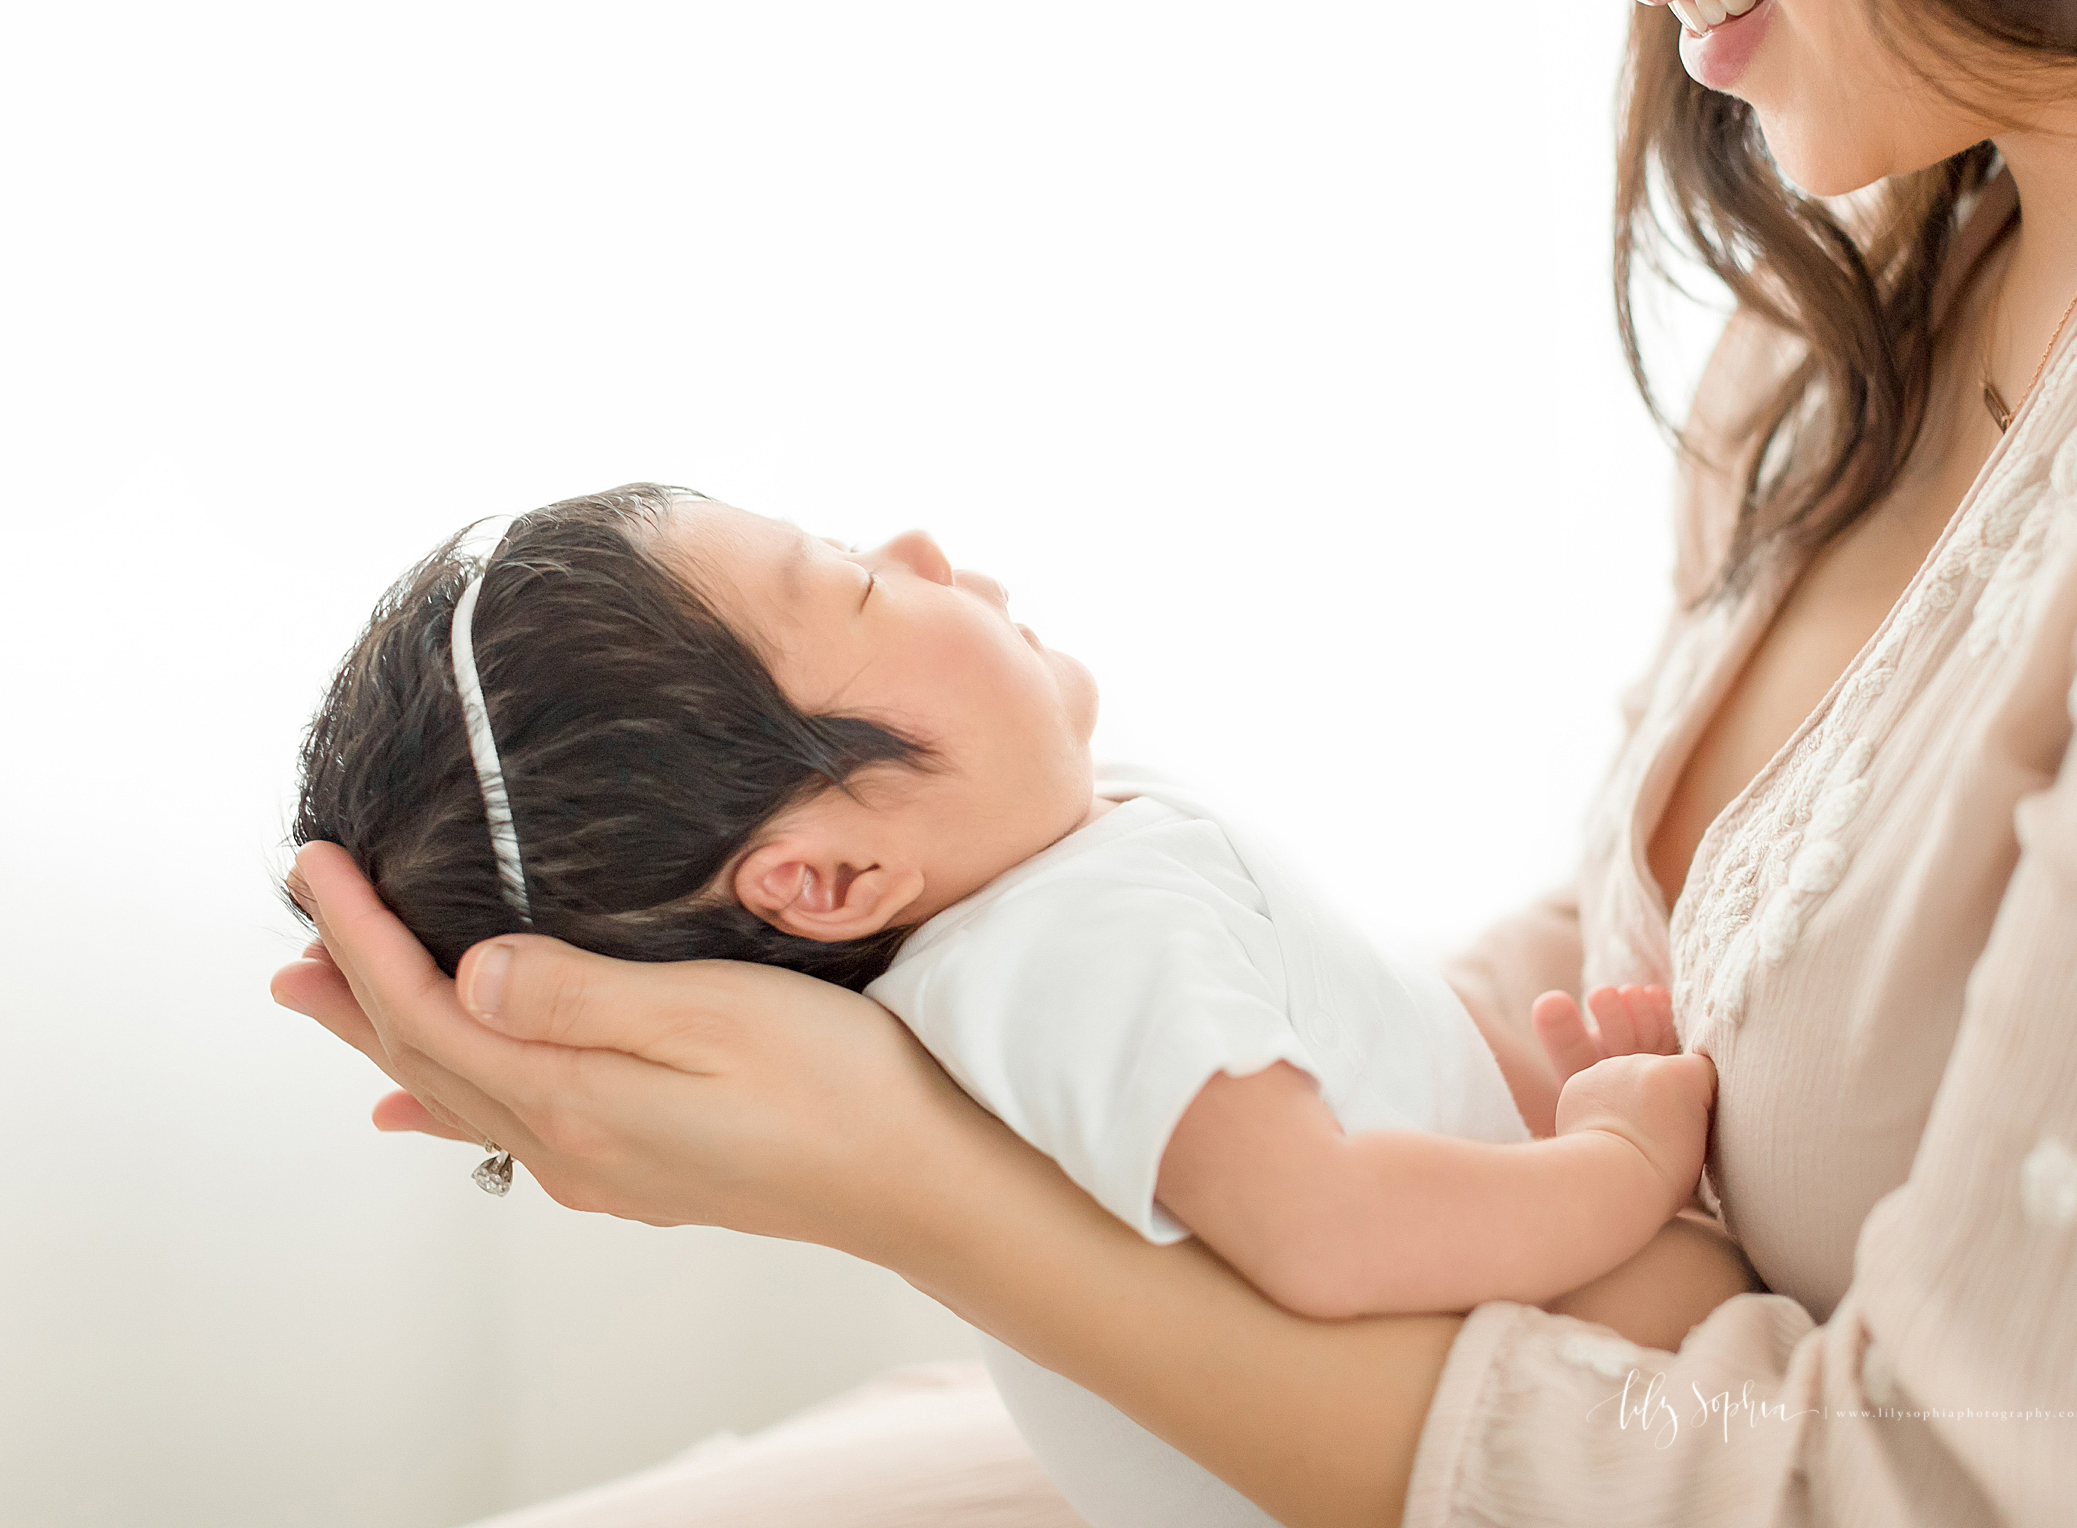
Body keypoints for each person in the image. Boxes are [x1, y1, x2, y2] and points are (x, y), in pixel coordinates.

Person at [274, 0, 2077, 1521]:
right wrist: (1163, 1066)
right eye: (854, 588)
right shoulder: (1866, 286)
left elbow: (1990, 1486)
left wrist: (913, 1182)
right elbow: (1709, 941)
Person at [290, 486, 1739, 1523]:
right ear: (832, 876)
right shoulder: (1070, 954)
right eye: (860, 585)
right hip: (1492, 1435)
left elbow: (1351, 1050)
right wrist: (1616, 1160)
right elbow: (1328, 1230)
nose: (919, 545)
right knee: (1684, 1294)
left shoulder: (1058, 889)